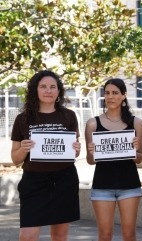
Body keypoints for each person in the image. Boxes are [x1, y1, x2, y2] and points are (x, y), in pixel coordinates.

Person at [10, 70, 82, 241]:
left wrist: (77, 148)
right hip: (33, 181)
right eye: (43, 87)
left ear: (59, 91)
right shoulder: (23, 119)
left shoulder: (69, 116)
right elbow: (15, 159)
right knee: (27, 235)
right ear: (35, 90)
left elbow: (76, 152)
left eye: (52, 87)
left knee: (60, 234)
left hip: (64, 179)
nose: (48, 91)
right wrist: (24, 149)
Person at [85, 78, 142, 241]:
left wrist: (133, 150)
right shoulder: (93, 124)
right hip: (102, 186)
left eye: (115, 93)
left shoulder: (136, 123)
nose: (111, 97)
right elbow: (90, 160)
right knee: (104, 235)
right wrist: (92, 152)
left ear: (124, 96)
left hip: (129, 185)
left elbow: (139, 158)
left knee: (129, 234)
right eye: (107, 93)